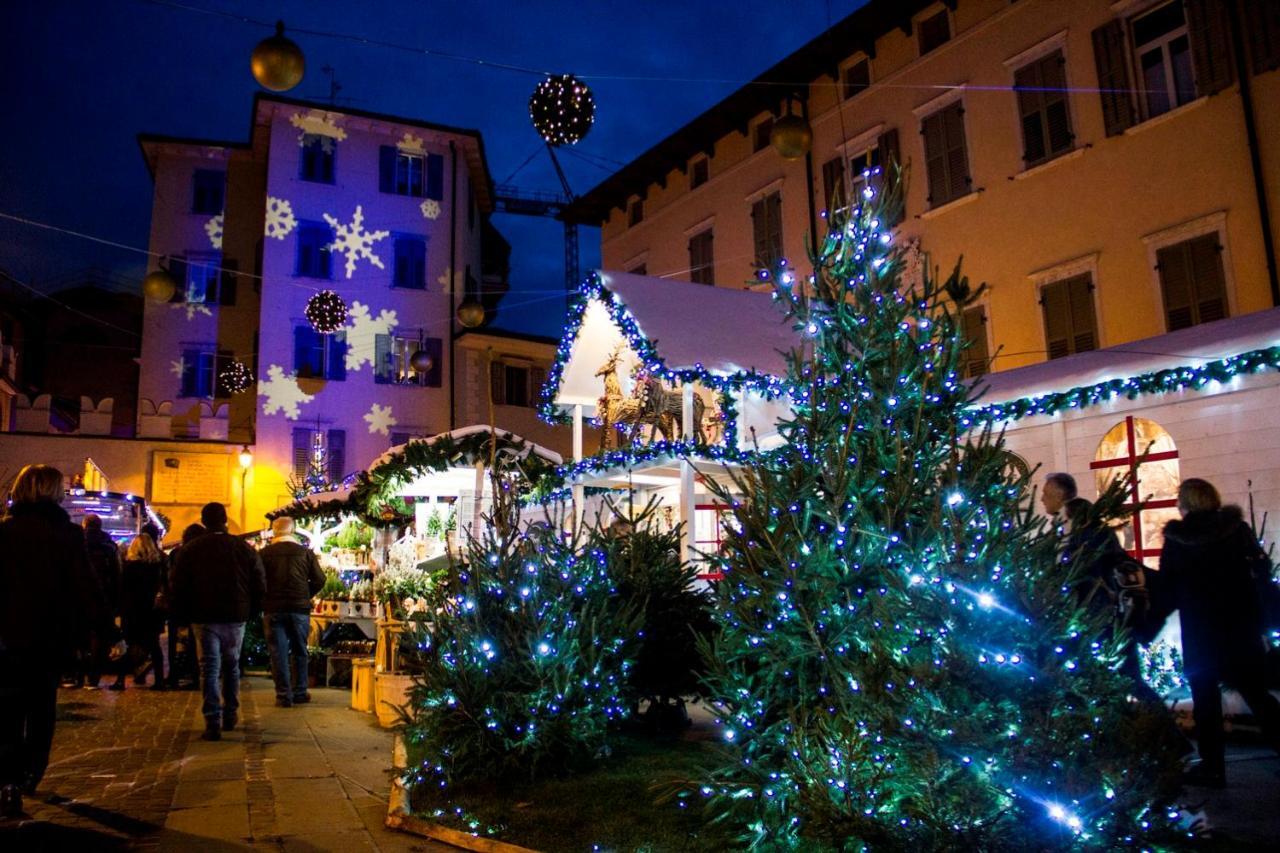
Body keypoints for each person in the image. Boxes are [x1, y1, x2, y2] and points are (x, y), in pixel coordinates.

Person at [0, 465, 115, 819]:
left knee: (6, 709)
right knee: (40, 708)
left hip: (6, 637)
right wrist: (106, 630)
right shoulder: (66, 535)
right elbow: (85, 588)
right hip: (49, 638)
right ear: (54, 492)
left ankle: (6, 778)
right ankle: (29, 773)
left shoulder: (5, 531)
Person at [1149, 478, 1280, 787]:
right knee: (1257, 695)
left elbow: (1168, 589)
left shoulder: (1179, 540)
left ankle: (1212, 767)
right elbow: (1261, 572)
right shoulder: (1237, 531)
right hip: (1240, 628)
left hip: (1202, 630)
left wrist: (1148, 623)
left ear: (1186, 503)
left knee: (1206, 701)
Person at [171, 503, 265, 741]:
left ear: (204, 521)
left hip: (203, 615)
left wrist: (183, 614)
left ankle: (212, 719)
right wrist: (252, 609)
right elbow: (259, 581)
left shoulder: (191, 550)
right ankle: (230, 713)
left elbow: (179, 585)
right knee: (231, 666)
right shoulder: (243, 548)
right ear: (225, 520)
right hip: (235, 614)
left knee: (209, 668)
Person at [259, 517, 324, 707]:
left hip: (273, 608)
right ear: (293, 530)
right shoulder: (305, 553)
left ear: (274, 531)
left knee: (277, 652)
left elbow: (257, 580)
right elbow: (320, 579)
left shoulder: (264, 554)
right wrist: (306, 594)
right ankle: (300, 691)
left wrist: (264, 598)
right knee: (299, 650)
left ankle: (283, 694)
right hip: (299, 608)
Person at [72, 514, 122, 689]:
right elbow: (117, 575)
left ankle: (74, 676)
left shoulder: (76, 543)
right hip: (103, 598)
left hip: (78, 598)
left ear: (85, 524)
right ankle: (92, 679)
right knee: (98, 639)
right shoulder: (109, 546)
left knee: (77, 636)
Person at [115, 533, 167, 690]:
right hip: (152, 612)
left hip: (133, 611)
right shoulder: (157, 567)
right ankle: (159, 680)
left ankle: (120, 680)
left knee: (128, 645)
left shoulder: (129, 567)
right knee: (154, 646)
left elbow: (122, 591)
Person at [164, 523, 205, 689]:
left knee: (174, 640)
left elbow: (173, 579)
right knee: (197, 642)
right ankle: (195, 676)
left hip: (178, 602)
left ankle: (174, 674)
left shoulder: (177, 553)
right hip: (198, 603)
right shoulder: (204, 554)